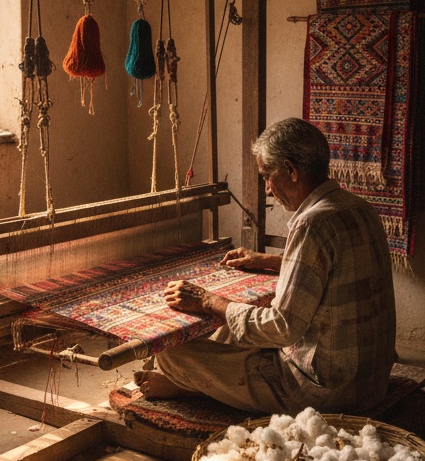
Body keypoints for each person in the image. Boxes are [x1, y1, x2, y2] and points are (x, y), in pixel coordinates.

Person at [135, 117, 396, 415]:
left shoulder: (311, 223)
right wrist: (269, 261)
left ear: (290, 170)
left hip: (324, 392)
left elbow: (282, 328)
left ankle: (192, 387)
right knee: (231, 330)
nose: (268, 189)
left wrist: (210, 301)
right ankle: (209, 384)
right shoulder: (359, 207)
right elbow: (336, 267)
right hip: (372, 382)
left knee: (170, 353)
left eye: (266, 176)